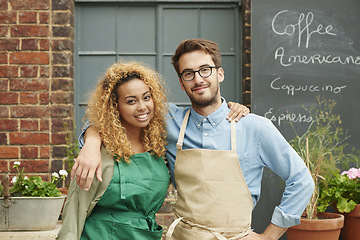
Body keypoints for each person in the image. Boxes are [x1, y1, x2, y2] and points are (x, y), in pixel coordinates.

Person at [73, 39, 314, 240]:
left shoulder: (255, 128)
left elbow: (302, 180)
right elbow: (111, 116)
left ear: (219, 73)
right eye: (188, 73)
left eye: (205, 70)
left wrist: (268, 236)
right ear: (181, 82)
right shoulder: (167, 119)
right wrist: (92, 143)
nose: (198, 79)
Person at [56, 61, 171, 240]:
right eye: (131, 101)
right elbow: (75, 208)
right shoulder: (98, 152)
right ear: (115, 107)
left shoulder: (159, 147)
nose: (142, 106)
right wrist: (92, 140)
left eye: (146, 97)